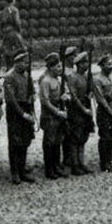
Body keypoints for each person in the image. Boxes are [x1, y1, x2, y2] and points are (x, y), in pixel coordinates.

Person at [3, 50, 37, 184]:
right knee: (15, 142)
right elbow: (11, 100)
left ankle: (22, 170)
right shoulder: (10, 77)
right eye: (23, 62)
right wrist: (23, 114)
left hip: (26, 107)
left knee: (25, 140)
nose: (26, 65)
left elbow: (32, 91)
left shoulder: (27, 75)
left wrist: (32, 97)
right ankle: (15, 172)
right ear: (16, 63)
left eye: (27, 62)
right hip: (15, 111)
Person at [38, 52, 68, 180]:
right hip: (50, 116)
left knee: (57, 142)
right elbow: (45, 101)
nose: (60, 69)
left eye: (60, 67)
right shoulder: (46, 81)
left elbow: (62, 93)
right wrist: (57, 112)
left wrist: (65, 97)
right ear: (50, 68)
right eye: (57, 67)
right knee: (49, 143)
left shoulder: (58, 80)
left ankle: (56, 166)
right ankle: (49, 169)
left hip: (58, 115)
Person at [92, 53, 112, 172]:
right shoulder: (98, 80)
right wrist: (111, 112)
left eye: (111, 64)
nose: (111, 66)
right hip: (105, 111)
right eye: (108, 64)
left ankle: (109, 161)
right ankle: (104, 163)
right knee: (105, 137)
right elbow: (101, 99)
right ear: (102, 66)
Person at [65, 51, 94, 174]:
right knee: (75, 138)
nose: (87, 64)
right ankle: (75, 164)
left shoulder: (86, 77)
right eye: (84, 62)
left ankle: (81, 162)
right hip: (77, 110)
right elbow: (74, 97)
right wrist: (83, 109)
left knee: (83, 137)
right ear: (79, 64)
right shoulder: (73, 77)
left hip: (86, 108)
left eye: (87, 61)